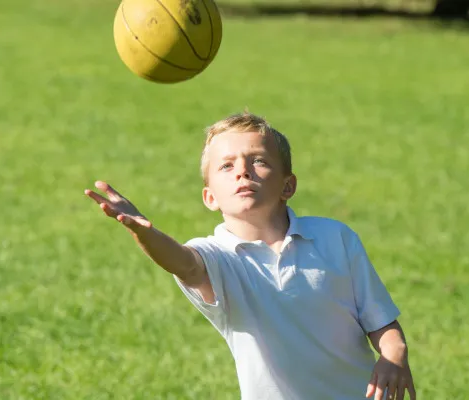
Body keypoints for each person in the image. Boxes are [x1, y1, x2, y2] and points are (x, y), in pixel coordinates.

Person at [84, 112, 416, 400]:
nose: (243, 171)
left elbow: (380, 320)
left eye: (258, 160)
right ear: (210, 196)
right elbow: (183, 262)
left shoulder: (335, 238)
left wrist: (394, 354)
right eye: (226, 166)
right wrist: (143, 232)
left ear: (288, 186)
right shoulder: (217, 257)